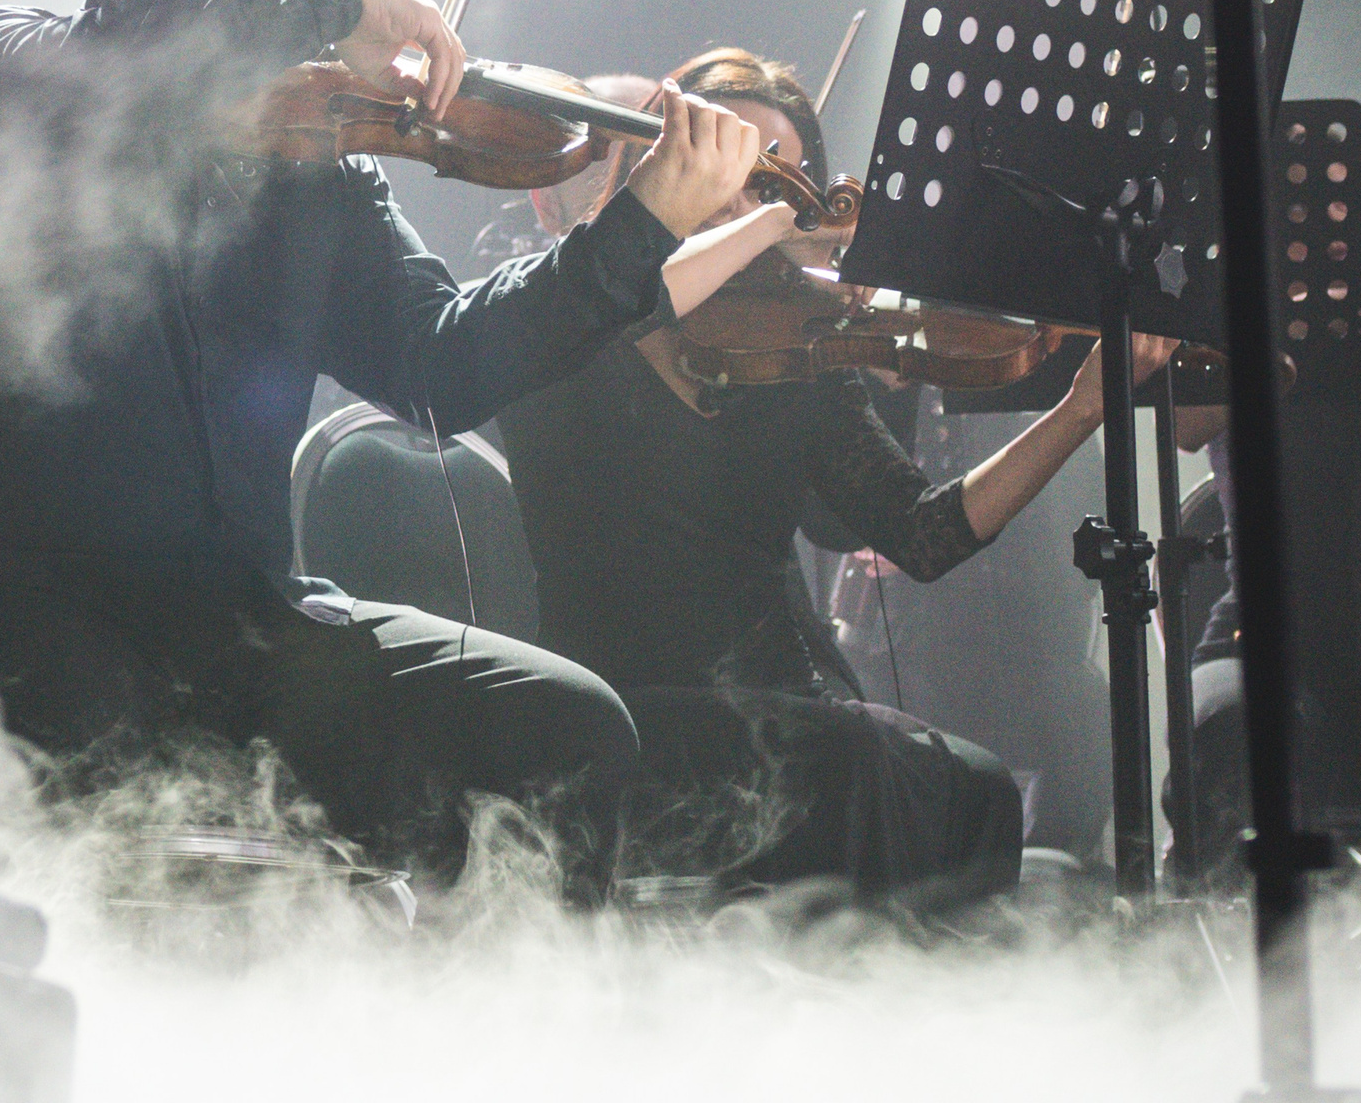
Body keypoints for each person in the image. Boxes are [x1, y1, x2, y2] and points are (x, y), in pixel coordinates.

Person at [0, 0, 778, 904]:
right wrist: (331, 1)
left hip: (229, 632)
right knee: (103, 731)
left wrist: (638, 228)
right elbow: (121, 63)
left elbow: (444, 364)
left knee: (567, 729)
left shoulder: (310, 160)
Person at [495, 46, 1177, 900]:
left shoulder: (793, 348)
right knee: (853, 767)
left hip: (778, 707)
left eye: (774, 186)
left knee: (976, 789)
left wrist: (1079, 410)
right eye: (734, 173)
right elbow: (632, 298)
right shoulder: (568, 307)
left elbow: (923, 532)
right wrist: (775, 224)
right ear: (665, 159)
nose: (744, 205)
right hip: (624, 708)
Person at [1172, 268, 1361, 871]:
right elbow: (1183, 425)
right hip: (1258, 639)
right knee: (1232, 730)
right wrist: (1307, 329)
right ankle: (1232, 917)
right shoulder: (1248, 326)